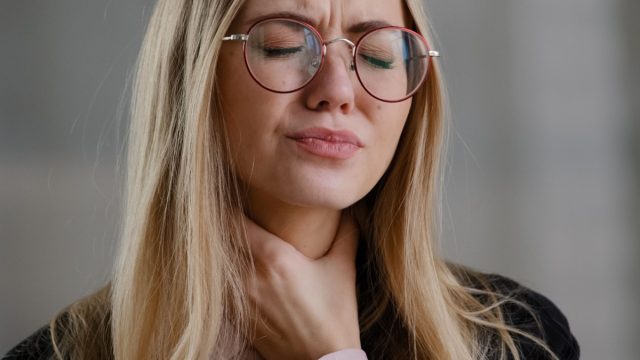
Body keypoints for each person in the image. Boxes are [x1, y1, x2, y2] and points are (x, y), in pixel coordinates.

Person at [5, 0, 580, 359]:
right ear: (194, 73)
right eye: (283, 43)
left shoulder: (520, 341)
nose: (336, 87)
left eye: (378, 55)